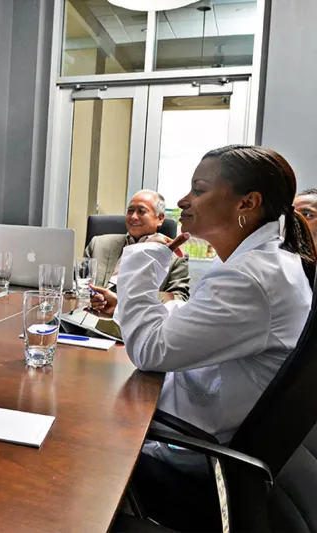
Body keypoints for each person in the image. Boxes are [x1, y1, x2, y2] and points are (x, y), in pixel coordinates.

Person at [93, 145, 315, 529]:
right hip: (218, 441)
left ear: (247, 203)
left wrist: (143, 262)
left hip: (203, 459)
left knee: (76, 439)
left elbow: (149, 350)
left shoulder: (250, 277)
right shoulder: (263, 261)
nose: (183, 201)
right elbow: (197, 321)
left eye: (198, 189)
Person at [85, 190, 189, 303]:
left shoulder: (174, 257)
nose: (133, 217)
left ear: (160, 218)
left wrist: (131, 300)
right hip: (91, 312)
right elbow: (76, 283)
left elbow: (179, 298)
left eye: (141, 211)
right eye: (130, 211)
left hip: (138, 316)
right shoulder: (98, 244)